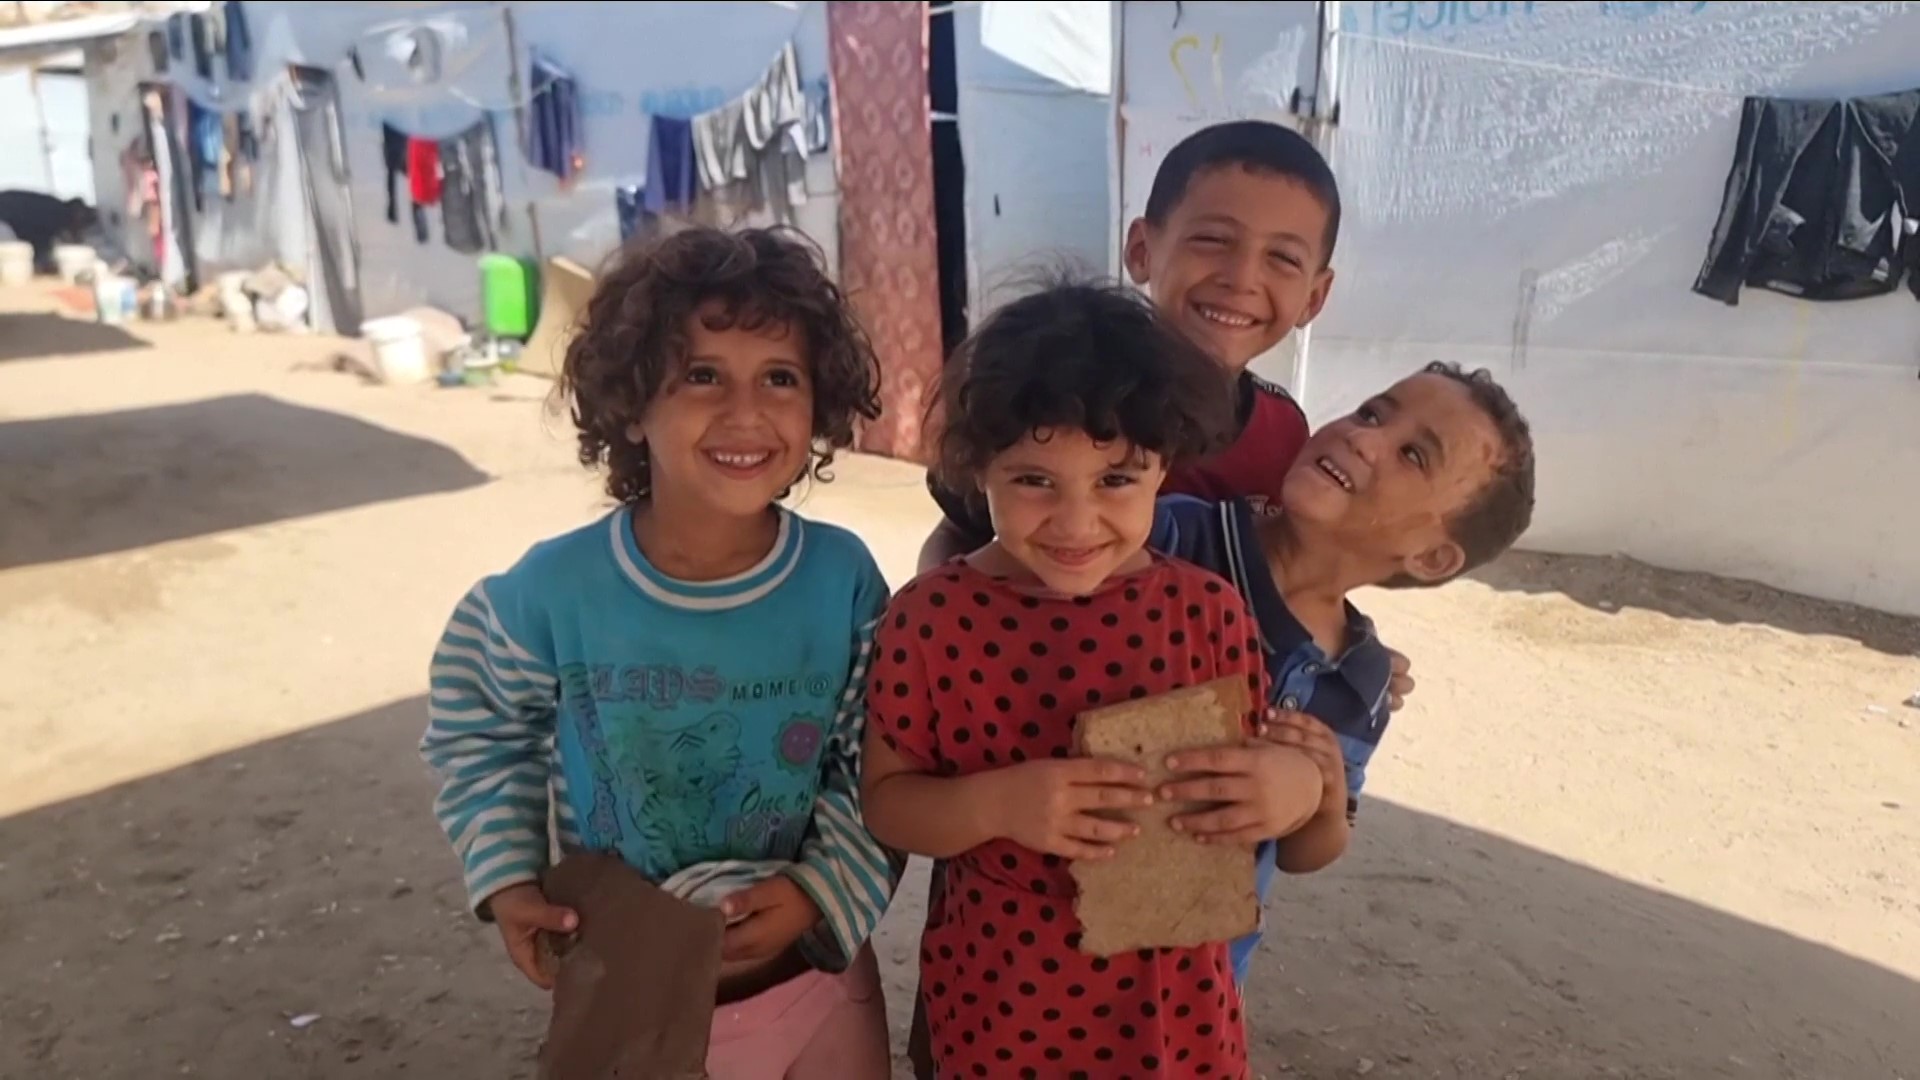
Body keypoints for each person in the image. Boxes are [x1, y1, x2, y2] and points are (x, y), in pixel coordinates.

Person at [419, 226, 899, 1080]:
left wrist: (819, 890)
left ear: (819, 403)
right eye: (702, 375)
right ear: (633, 407)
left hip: (816, 987)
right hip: (629, 993)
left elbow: (876, 760)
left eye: (780, 378)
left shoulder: (843, 582)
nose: (745, 412)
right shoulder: (555, 592)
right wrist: (508, 877)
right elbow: (477, 723)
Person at [862, 281, 1330, 1079]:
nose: (1076, 523)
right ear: (980, 470)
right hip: (1002, 1016)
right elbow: (888, 803)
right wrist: (997, 805)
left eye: (1116, 480)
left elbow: (1262, 796)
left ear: (1164, 465)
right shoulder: (931, 620)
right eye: (1033, 480)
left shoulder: (1208, 615)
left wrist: (1293, 790)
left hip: (1179, 1016)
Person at [1151, 361, 1538, 984]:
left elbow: (1307, 854)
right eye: (1372, 412)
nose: (1363, 437)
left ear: (1431, 558)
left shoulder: (1361, 682)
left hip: (1199, 987)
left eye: (1413, 454)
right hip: (1043, 938)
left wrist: (1321, 803)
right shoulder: (1170, 535)